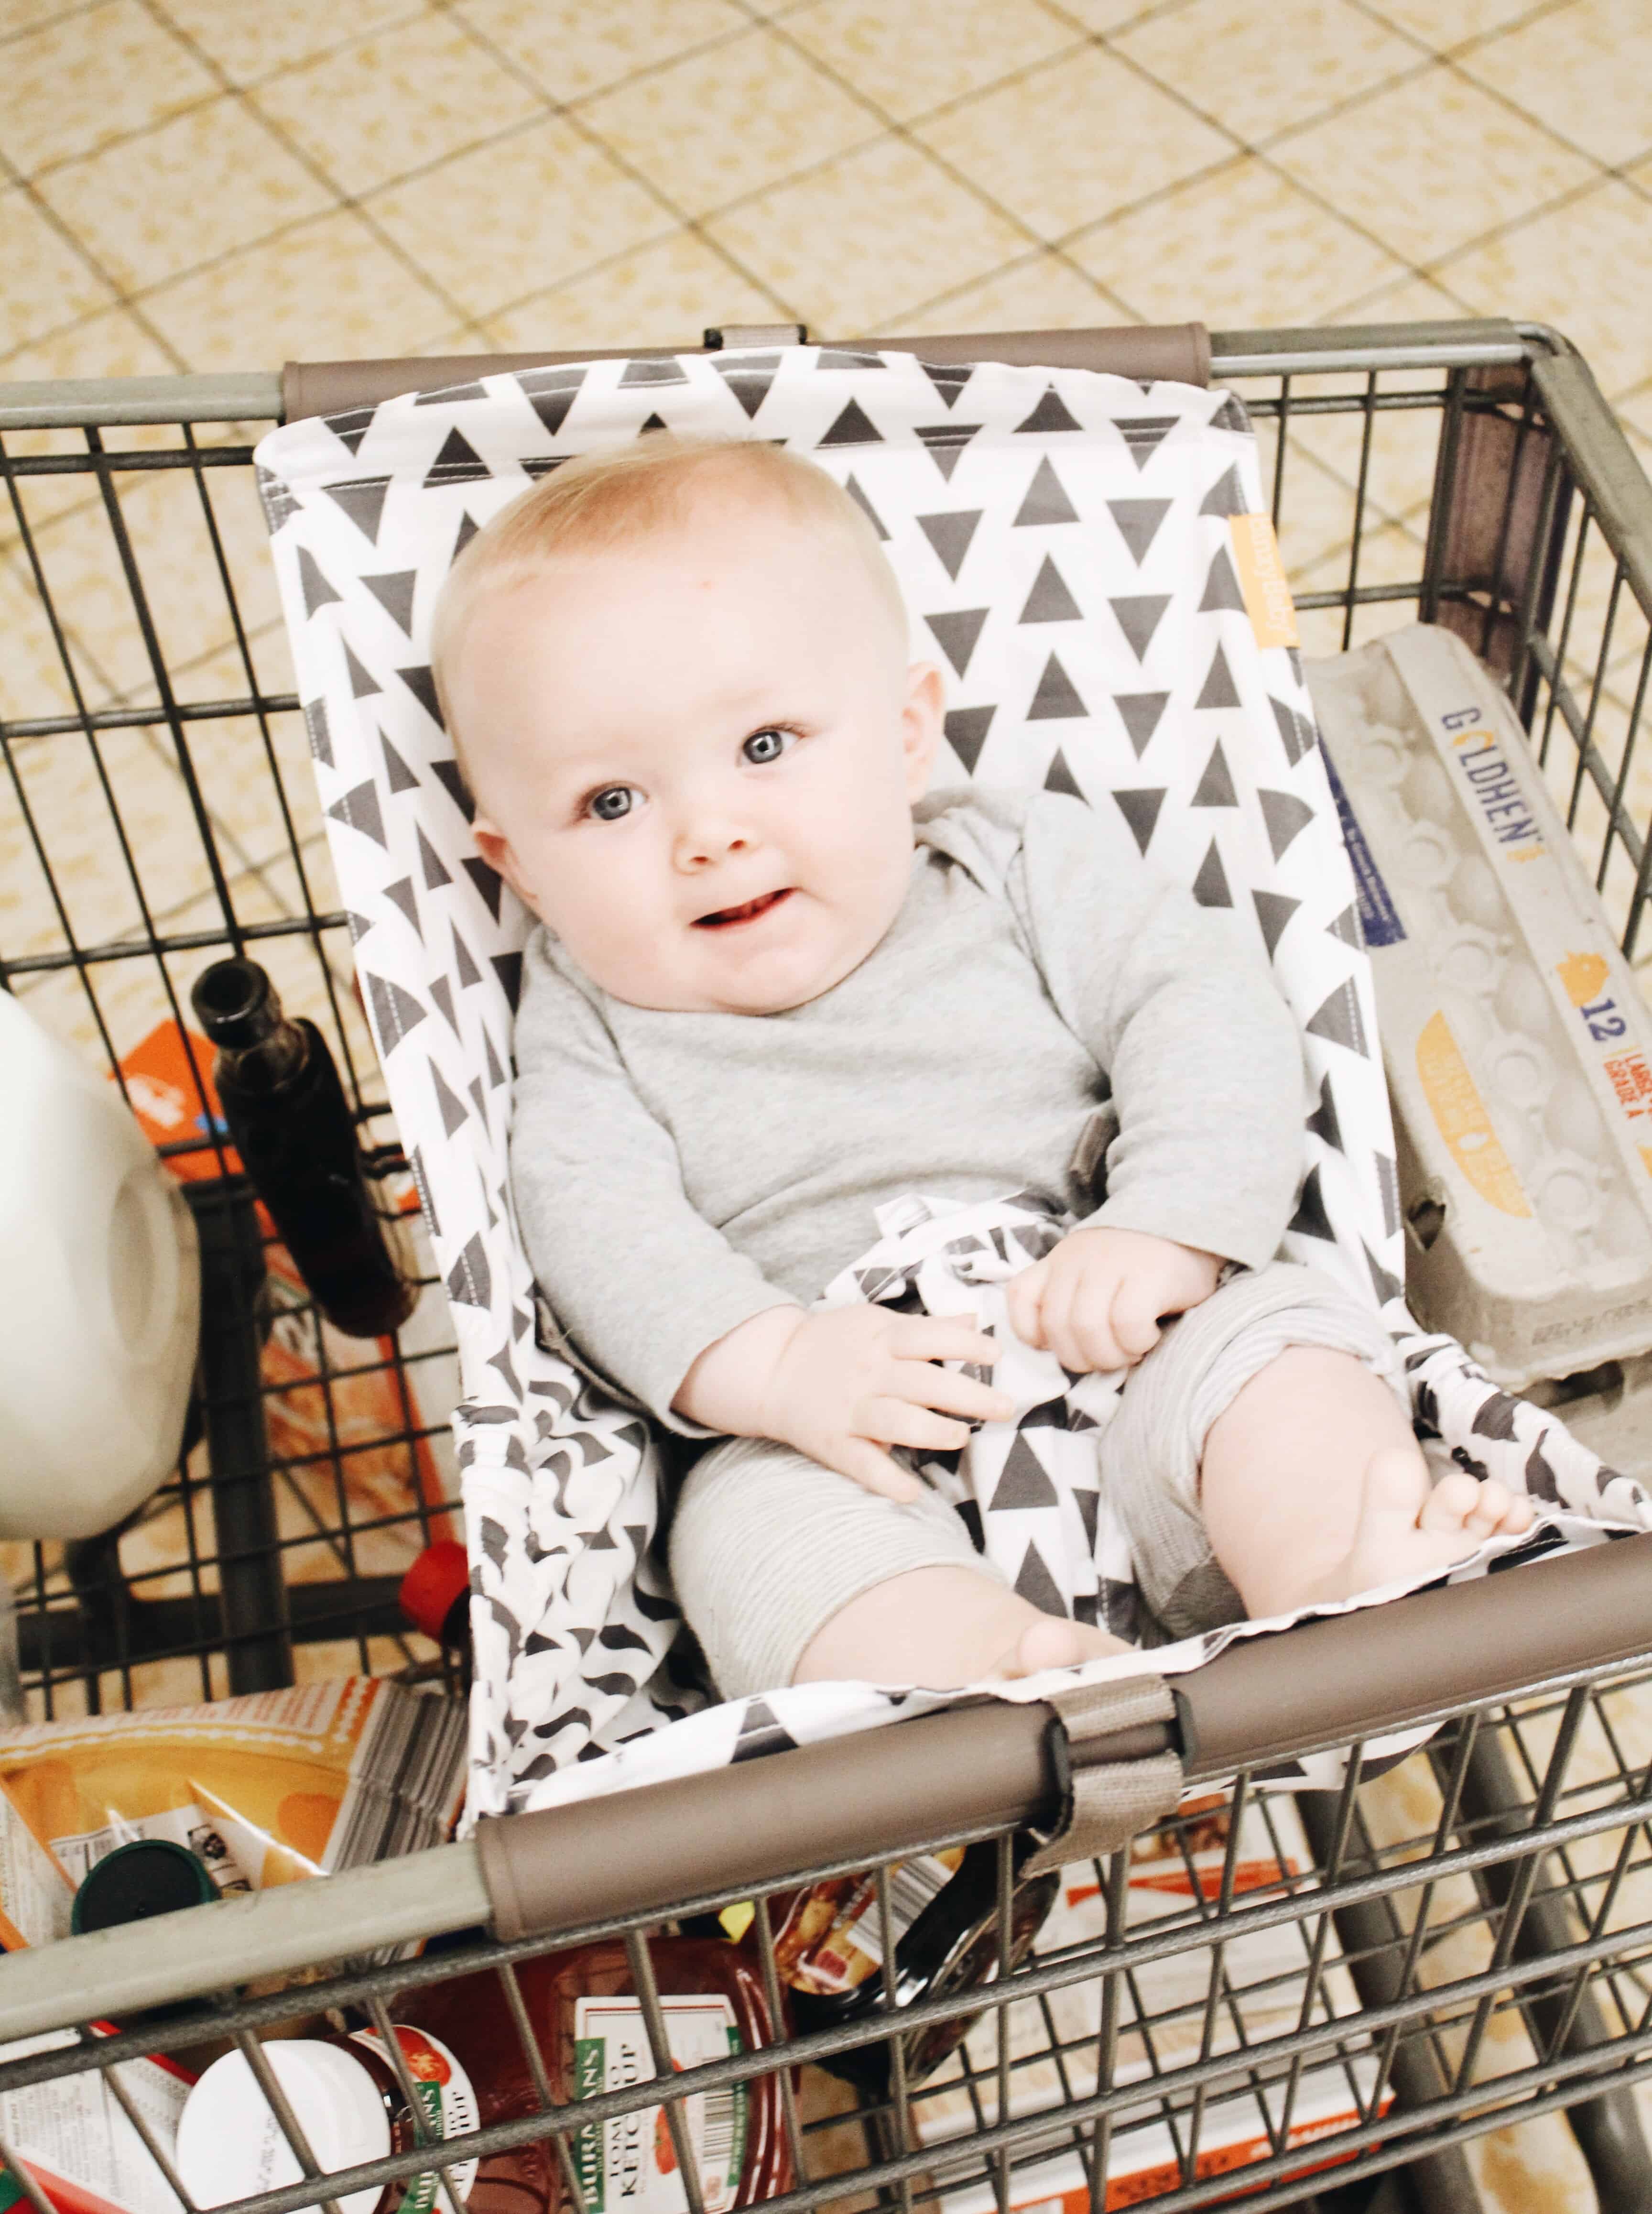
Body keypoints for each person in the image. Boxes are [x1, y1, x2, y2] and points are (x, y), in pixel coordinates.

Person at [431, 430, 1534, 1699]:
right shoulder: (583, 1018)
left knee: (1283, 1343)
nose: (710, 835)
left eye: (767, 746)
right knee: (746, 1543)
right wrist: (778, 1365)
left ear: (906, 736)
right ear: (517, 865)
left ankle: (1340, 1575)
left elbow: (1202, 1003)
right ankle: (994, 1693)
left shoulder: (1014, 863)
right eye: (611, 804)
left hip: (1122, 1317)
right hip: (834, 1418)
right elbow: (595, 1224)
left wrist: (1171, 1222)